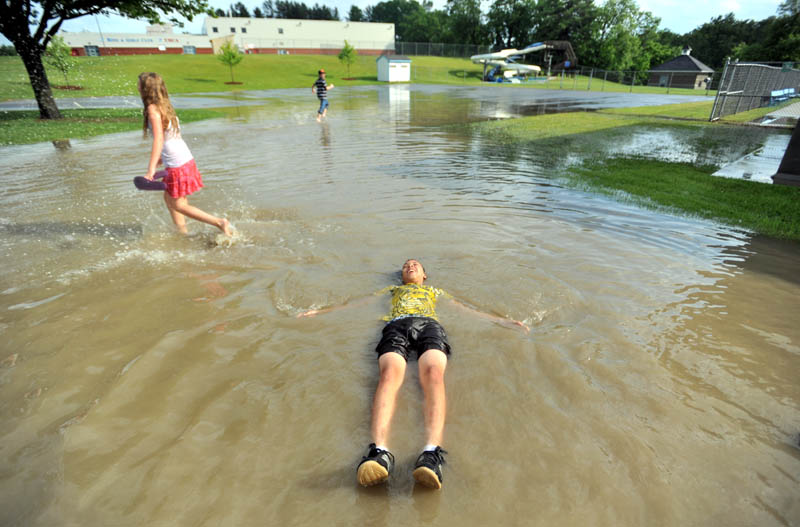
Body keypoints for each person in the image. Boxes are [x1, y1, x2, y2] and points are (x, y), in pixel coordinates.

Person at [298, 259, 528, 489]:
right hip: (396, 326)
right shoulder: (392, 290)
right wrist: (320, 312)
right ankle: (379, 451)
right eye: (406, 265)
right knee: (388, 375)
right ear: (401, 275)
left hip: (430, 326)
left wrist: (503, 321)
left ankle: (431, 453)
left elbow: (466, 309)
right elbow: (357, 304)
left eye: (416, 264)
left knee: (434, 374)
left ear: (425, 275)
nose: (410, 266)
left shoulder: (434, 291)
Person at [137, 72, 232, 236]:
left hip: (176, 164)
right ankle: (182, 232)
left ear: (145, 88)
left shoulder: (153, 109)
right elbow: (172, 134)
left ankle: (219, 222)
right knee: (170, 199)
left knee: (178, 204)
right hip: (184, 158)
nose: (137, 86)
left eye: (139, 84)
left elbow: (159, 139)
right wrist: (161, 157)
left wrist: (151, 169)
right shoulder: (164, 104)